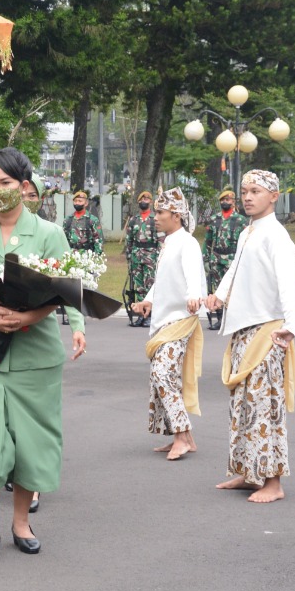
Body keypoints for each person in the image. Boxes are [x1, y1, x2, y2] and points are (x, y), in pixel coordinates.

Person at [0, 147, 86, 562]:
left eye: (5, 183)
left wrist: (30, 317)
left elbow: (67, 288)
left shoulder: (48, 233)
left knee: (31, 440)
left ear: (23, 186)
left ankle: (21, 522)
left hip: (35, 351)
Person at [205, 169, 295, 504]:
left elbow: (289, 283)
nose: (247, 197)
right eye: (244, 190)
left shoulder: (276, 236)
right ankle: (248, 471)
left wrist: (290, 324)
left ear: (273, 196)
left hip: (267, 330)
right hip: (244, 329)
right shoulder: (250, 232)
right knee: (242, 406)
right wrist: (220, 294)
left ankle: (273, 482)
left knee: (265, 406)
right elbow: (236, 270)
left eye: (255, 191)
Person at [131, 188, 206, 461]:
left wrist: (194, 297)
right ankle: (184, 437)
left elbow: (193, 274)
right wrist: (147, 301)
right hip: (164, 319)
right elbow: (162, 282)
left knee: (164, 374)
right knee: (161, 376)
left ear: (176, 215)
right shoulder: (169, 242)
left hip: (180, 319)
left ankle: (181, 434)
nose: (155, 217)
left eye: (160, 212)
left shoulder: (187, 243)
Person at [203, 189, 248, 331]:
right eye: (223, 200)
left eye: (228, 200)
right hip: (216, 259)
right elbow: (208, 241)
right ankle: (220, 319)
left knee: (233, 290)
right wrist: (205, 259)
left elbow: (245, 242)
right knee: (217, 289)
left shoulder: (240, 220)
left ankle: (232, 319)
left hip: (232, 258)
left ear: (233, 202)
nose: (225, 202)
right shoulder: (214, 219)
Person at [123, 190, 160, 327]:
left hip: (151, 256)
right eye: (142, 199)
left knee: (150, 286)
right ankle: (140, 315)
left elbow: (160, 240)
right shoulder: (134, 220)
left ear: (150, 202)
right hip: (136, 256)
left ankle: (150, 315)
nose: (144, 201)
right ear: (139, 202)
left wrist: (159, 257)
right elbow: (129, 240)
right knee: (139, 287)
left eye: (147, 199)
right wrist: (129, 258)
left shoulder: (154, 219)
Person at [63, 189, 103, 255]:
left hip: (87, 256)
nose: (77, 203)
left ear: (86, 203)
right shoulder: (68, 220)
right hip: (71, 256)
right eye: (75, 201)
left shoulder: (92, 220)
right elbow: (64, 239)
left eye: (80, 201)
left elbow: (98, 240)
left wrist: (97, 256)